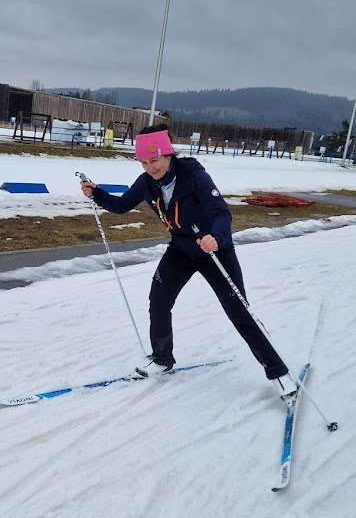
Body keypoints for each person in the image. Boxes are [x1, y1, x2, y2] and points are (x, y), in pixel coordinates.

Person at [80, 124, 296, 399]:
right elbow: (122, 206)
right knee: (159, 300)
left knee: (239, 311)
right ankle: (162, 359)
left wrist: (216, 237)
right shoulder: (146, 182)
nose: (150, 167)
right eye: (143, 162)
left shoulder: (194, 174)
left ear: (168, 154)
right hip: (181, 250)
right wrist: (97, 193)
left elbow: (221, 213)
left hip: (214, 251)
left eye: (154, 160)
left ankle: (279, 372)